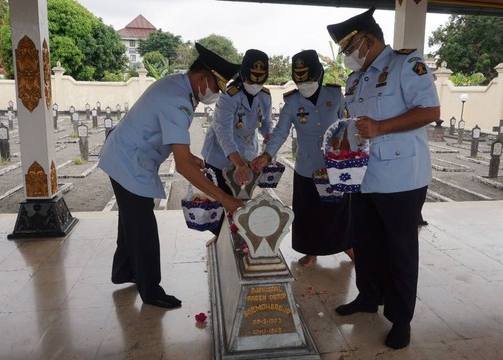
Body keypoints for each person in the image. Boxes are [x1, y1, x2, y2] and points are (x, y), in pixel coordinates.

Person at [98, 43, 244, 309]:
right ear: (202, 78)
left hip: (123, 154)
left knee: (130, 220)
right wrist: (225, 199)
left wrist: (192, 159)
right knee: (142, 226)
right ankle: (151, 290)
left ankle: (124, 271)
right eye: (216, 86)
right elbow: (183, 167)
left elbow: (183, 155)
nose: (215, 94)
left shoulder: (178, 86)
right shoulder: (178, 101)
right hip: (128, 162)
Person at [326, 7, 440, 349]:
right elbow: (358, 123)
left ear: (367, 40)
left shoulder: (407, 65)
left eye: (349, 49)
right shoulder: (357, 78)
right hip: (363, 174)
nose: (347, 57)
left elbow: (430, 111)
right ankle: (368, 297)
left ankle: (401, 319)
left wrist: (380, 128)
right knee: (366, 242)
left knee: (399, 249)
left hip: (402, 177)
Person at [252, 50, 353, 266]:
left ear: (318, 75)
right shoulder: (292, 101)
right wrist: (267, 155)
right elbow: (280, 131)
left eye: (307, 79)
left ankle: (347, 245)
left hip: (334, 164)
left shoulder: (335, 96)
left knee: (339, 209)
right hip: (307, 166)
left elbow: (347, 124)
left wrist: (339, 139)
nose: (303, 84)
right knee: (308, 211)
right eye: (299, 80)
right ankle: (311, 251)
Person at [201, 49, 272, 235]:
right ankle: (220, 239)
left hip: (247, 153)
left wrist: (268, 135)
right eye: (251, 79)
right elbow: (223, 131)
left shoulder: (265, 96)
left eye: (261, 80)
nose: (256, 84)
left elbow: (265, 123)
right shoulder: (229, 94)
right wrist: (238, 163)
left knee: (241, 197)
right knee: (220, 200)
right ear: (243, 74)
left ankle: (237, 237)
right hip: (219, 154)